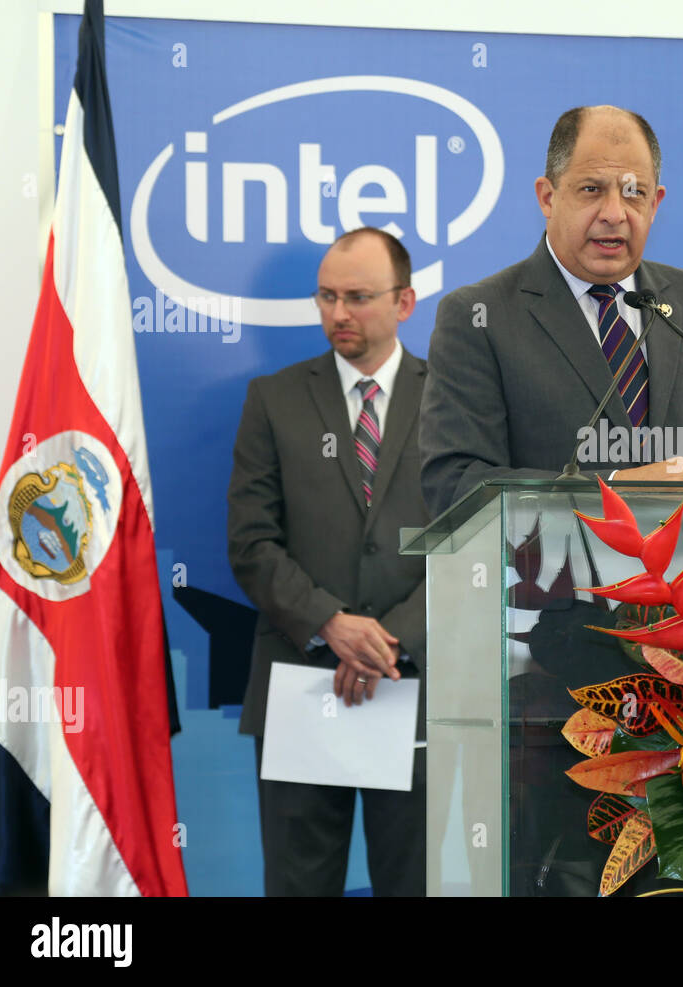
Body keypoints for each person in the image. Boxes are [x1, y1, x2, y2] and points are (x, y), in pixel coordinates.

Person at [419, 104, 683, 516]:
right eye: (592, 189)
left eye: (634, 192)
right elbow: (457, 481)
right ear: (547, 198)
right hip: (556, 579)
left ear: (655, 204)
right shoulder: (480, 316)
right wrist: (618, 491)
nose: (614, 214)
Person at [227, 227, 430, 896]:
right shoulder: (273, 400)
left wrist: (388, 642)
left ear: (405, 301)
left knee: (415, 882)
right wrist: (333, 624)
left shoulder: (455, 402)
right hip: (300, 686)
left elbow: (476, 545)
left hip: (416, 689)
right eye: (326, 297)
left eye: (358, 297)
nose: (338, 314)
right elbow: (251, 544)